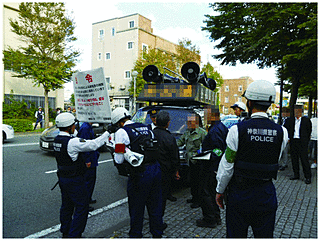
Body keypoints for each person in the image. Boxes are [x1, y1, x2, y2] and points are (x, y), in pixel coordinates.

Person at [215, 80, 288, 238]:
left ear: (249, 103)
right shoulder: (282, 132)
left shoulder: (236, 130)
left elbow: (227, 165)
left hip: (240, 194)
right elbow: (276, 158)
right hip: (266, 193)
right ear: (269, 104)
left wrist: (219, 190)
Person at [53, 113, 109, 238]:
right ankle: (75, 234)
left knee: (66, 206)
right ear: (70, 127)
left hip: (63, 178)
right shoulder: (72, 142)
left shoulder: (57, 139)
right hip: (75, 179)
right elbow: (93, 144)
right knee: (81, 207)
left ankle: (65, 231)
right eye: (73, 124)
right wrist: (107, 133)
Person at [112, 107, 164, 238]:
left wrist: (116, 148)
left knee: (137, 207)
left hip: (139, 173)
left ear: (118, 122)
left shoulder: (121, 132)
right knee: (155, 206)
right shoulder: (147, 127)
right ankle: (157, 234)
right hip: (156, 170)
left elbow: (118, 160)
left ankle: (136, 235)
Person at [196, 107, 228, 228]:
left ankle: (210, 219)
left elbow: (218, 150)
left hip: (211, 167)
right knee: (212, 191)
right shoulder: (221, 127)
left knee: (206, 192)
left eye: (206, 115)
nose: (205, 117)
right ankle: (216, 216)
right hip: (216, 166)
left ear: (213, 115)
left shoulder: (215, 130)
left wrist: (206, 156)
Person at [152, 110, 180, 218]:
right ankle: (158, 220)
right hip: (165, 173)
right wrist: (176, 171)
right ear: (168, 123)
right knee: (162, 198)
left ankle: (152, 218)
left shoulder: (151, 134)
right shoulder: (169, 137)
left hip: (151, 170)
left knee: (152, 197)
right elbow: (174, 157)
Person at [177, 113, 207, 208]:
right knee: (192, 181)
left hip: (199, 162)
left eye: (191, 122)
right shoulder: (187, 132)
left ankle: (198, 200)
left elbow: (206, 147)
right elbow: (180, 142)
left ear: (196, 122)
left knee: (199, 182)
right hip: (190, 161)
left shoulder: (202, 133)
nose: (188, 124)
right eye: (187, 122)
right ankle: (194, 197)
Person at [284, 104, 312, 184]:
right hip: (293, 141)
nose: (296, 112)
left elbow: (308, 130)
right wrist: (289, 138)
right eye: (295, 111)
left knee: (304, 159)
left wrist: (306, 140)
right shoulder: (291, 120)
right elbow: (287, 129)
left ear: (301, 112)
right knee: (294, 159)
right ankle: (296, 174)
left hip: (302, 142)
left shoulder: (306, 120)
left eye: (298, 111)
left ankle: (308, 176)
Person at [77, 122, 100, 212]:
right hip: (89, 158)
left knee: (91, 180)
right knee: (88, 181)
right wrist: (87, 160)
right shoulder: (85, 127)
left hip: (92, 156)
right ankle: (84, 203)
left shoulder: (88, 126)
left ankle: (88, 198)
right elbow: (84, 145)